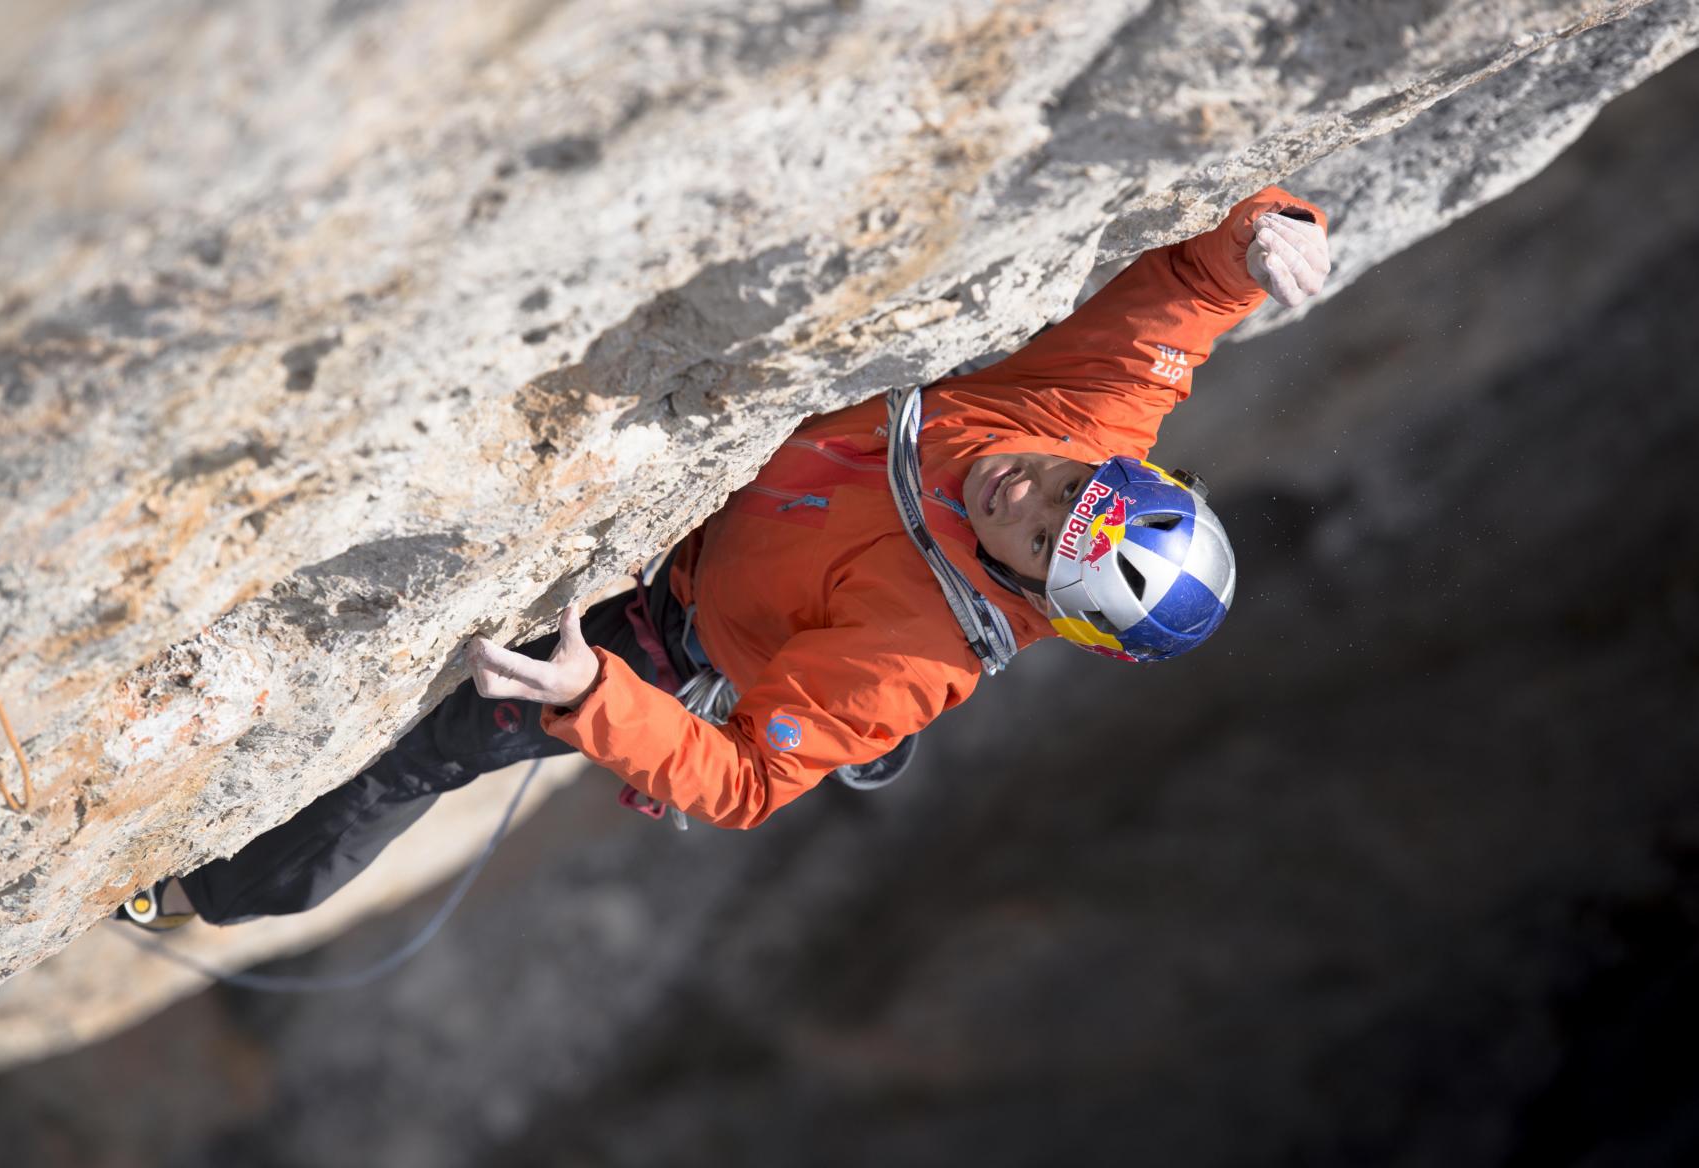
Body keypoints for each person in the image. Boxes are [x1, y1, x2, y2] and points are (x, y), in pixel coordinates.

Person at [117, 187, 1331, 929]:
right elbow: (1179, 298)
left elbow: (749, 783)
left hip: (667, 631)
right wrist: (1267, 237)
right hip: (699, 509)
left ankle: (204, 894)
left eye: (1035, 530)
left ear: (1028, 592)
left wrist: (595, 699)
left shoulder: (912, 659)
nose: (1030, 488)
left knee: (411, 765)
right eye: (1073, 487)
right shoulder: (1087, 430)